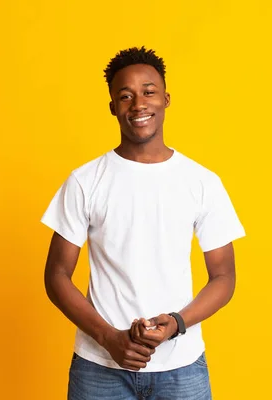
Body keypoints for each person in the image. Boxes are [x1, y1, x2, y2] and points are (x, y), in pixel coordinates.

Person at [41, 46, 246, 400]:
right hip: (99, 369)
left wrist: (177, 324)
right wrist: (108, 339)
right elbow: (56, 275)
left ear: (166, 99)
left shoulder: (201, 182)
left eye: (148, 91)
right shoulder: (85, 180)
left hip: (182, 367)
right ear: (112, 108)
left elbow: (224, 277)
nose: (138, 103)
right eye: (125, 95)